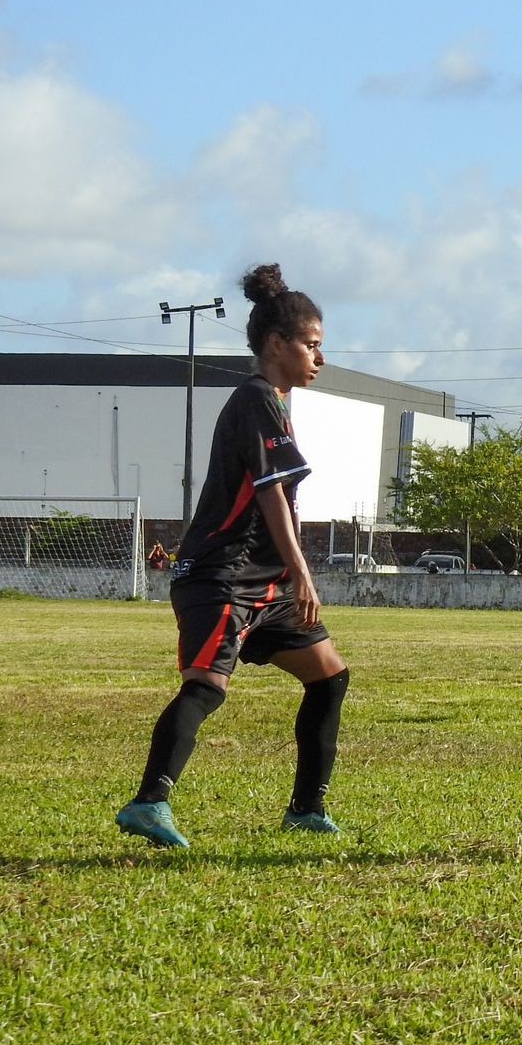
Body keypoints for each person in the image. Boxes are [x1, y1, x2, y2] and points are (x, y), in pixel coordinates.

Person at [115, 263, 349, 849]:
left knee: (329, 677)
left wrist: (286, 572)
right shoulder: (256, 400)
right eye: (312, 346)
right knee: (206, 687)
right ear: (278, 344)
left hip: (262, 582)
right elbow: (269, 492)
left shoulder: (275, 401)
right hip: (222, 576)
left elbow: (277, 496)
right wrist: (303, 571)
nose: (319, 358)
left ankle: (305, 810)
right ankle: (150, 801)